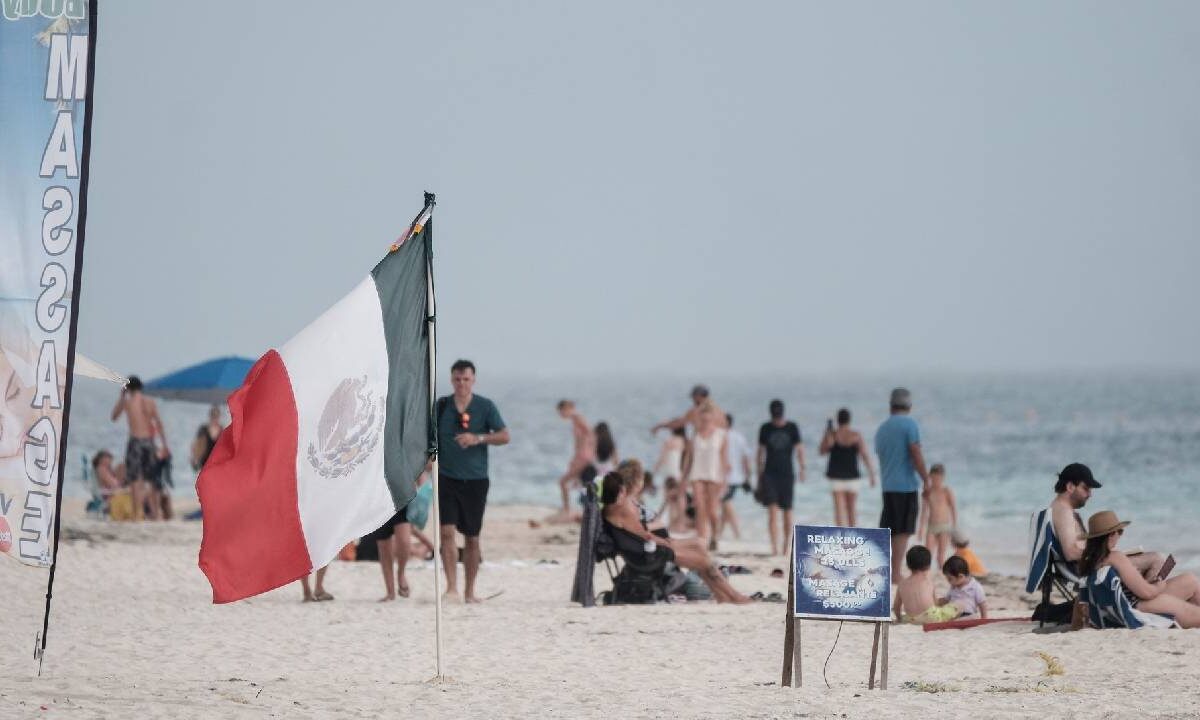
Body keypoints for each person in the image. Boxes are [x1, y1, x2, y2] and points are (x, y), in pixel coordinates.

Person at [600, 471, 750, 604]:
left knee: (699, 546)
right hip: (649, 557)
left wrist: (662, 539)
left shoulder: (609, 511)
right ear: (620, 491)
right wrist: (664, 542)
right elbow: (645, 535)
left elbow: (639, 534)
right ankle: (734, 596)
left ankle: (721, 596)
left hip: (644, 552)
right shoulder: (622, 512)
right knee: (704, 561)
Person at [436, 359, 510, 604]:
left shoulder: (485, 406)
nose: (461, 384)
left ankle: (469, 591)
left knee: (472, 537)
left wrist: (477, 438)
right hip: (446, 477)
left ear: (473, 380)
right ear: (451, 380)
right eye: (457, 379)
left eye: (466, 379)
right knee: (446, 532)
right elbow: (426, 437)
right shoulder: (441, 406)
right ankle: (451, 588)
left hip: (476, 479)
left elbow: (504, 436)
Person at [1077, 511, 1200, 628]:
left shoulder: (1089, 561)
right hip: (1136, 606)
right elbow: (1147, 593)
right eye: (1119, 532)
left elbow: (1081, 601)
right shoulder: (1115, 557)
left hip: (1127, 604)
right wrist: (1159, 585)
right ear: (1111, 535)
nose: (1119, 536)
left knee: (1190, 579)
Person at [1050, 463, 1163, 580]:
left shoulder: (1059, 508)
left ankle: (1143, 592)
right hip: (1089, 570)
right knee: (1157, 559)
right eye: (1086, 488)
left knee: (1146, 560)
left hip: (1090, 565)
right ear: (1070, 487)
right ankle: (1147, 596)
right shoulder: (1064, 512)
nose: (1090, 494)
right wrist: (1106, 555)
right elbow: (1071, 553)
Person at [874, 388, 929, 579]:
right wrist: (926, 479)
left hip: (888, 484)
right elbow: (915, 452)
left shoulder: (882, 428)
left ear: (890, 406)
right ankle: (895, 573)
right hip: (905, 485)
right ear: (909, 406)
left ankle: (886, 568)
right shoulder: (910, 425)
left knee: (889, 529)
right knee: (902, 531)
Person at [111, 376, 169, 521]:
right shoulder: (150, 402)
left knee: (135, 479)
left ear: (128, 388)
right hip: (149, 442)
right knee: (151, 479)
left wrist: (121, 397)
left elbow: (114, 417)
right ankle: (155, 513)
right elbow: (159, 424)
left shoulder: (128, 402)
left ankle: (138, 513)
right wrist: (165, 445)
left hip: (135, 442)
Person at [757, 399, 805, 556]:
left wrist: (802, 468)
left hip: (786, 474)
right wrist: (759, 475)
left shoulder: (792, 428)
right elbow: (760, 452)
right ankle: (774, 548)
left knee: (787, 512)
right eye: (775, 415)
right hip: (770, 474)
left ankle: (785, 546)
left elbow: (800, 449)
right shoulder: (765, 428)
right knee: (772, 511)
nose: (777, 418)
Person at [818, 408, 876, 527]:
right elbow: (864, 455)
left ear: (838, 420)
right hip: (852, 477)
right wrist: (872, 474)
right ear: (849, 420)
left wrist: (827, 433)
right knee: (852, 510)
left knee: (839, 511)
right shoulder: (855, 435)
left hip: (836, 477)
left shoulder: (832, 435)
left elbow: (822, 451)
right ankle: (853, 537)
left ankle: (841, 538)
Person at [682, 403, 728, 550]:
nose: (705, 421)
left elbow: (724, 460)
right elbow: (688, 459)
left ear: (713, 418)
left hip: (714, 475)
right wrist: (683, 479)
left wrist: (725, 480)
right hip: (697, 474)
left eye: (708, 419)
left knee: (712, 510)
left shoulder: (721, 435)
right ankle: (702, 540)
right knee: (700, 508)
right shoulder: (694, 435)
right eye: (702, 419)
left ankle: (714, 535)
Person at [893, 545, 957, 624]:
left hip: (910, 619)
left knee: (906, 615)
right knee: (956, 608)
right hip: (930, 617)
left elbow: (896, 607)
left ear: (908, 565)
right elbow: (935, 603)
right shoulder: (928, 582)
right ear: (928, 566)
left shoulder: (901, 584)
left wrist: (899, 618)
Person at [554, 400, 595, 520]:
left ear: (566, 408)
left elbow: (590, 434)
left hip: (583, 456)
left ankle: (567, 509)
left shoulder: (577, 417)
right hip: (581, 455)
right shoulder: (575, 419)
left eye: (561, 412)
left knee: (563, 482)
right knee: (575, 482)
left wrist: (586, 451)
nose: (561, 415)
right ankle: (574, 508)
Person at [719, 414, 753, 541]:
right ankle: (719, 533)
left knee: (726, 503)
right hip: (738, 477)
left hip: (726, 477)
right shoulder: (739, 437)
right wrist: (747, 476)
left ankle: (737, 533)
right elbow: (746, 458)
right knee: (725, 505)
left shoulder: (721, 436)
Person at [653, 426, 690, 534]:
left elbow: (663, 458)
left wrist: (655, 470)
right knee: (680, 498)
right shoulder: (685, 442)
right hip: (679, 472)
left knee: (669, 499)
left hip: (668, 472)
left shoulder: (669, 441)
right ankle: (680, 525)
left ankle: (670, 524)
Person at [651, 384, 729, 434]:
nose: (692, 400)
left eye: (693, 397)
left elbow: (678, 423)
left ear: (698, 396)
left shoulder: (697, 411)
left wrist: (660, 425)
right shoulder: (719, 411)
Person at [920, 464, 956, 568]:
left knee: (940, 556)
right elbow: (924, 511)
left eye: (938, 478)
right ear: (930, 477)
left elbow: (953, 508)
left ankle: (942, 574)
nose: (936, 480)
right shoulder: (927, 492)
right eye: (934, 478)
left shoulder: (946, 491)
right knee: (927, 554)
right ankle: (926, 574)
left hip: (944, 526)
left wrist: (954, 525)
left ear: (943, 478)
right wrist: (921, 529)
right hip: (931, 527)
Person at [190, 404, 224, 471]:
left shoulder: (222, 431)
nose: (214, 418)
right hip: (204, 465)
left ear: (219, 417)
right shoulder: (203, 429)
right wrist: (194, 460)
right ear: (210, 416)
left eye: (216, 416)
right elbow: (196, 445)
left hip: (217, 466)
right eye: (213, 415)